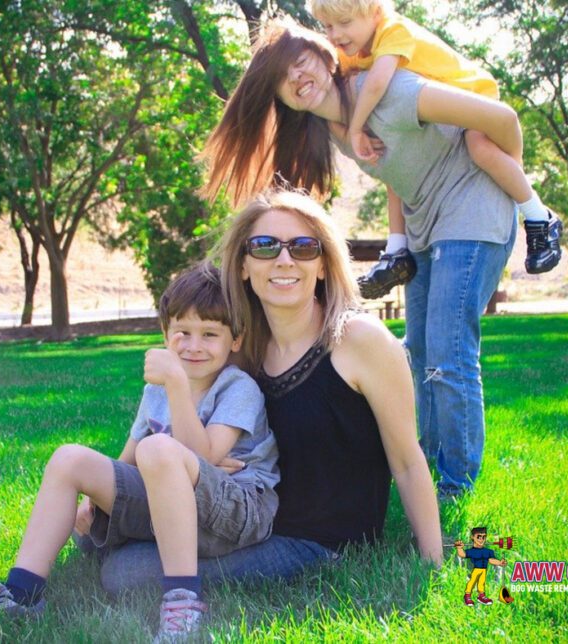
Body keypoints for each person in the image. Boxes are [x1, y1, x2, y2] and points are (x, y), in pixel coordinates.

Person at [200, 20, 518, 499]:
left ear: (326, 54)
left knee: (448, 352)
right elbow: (399, 168)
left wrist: (518, 192)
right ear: (280, 98)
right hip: (427, 225)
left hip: (474, 210)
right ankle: (430, 468)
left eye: (301, 60)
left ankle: (456, 485)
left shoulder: (388, 91)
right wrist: (399, 241)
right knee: (422, 352)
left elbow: (503, 117)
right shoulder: (337, 129)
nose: (297, 77)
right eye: (282, 78)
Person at [93, 190, 442, 597]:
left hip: (317, 542)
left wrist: (431, 564)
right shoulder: (245, 349)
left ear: (324, 265)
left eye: (303, 247)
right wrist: (206, 468)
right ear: (243, 266)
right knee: (100, 528)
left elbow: (407, 461)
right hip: (245, 520)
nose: (284, 259)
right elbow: (204, 435)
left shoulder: (359, 340)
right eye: (264, 246)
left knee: (124, 572)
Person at [0, 262, 279, 641]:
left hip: (235, 513)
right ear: (165, 334)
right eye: (182, 332)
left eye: (209, 334)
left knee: (159, 448)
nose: (193, 346)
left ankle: (183, 604)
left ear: (235, 340)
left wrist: (177, 385)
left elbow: (203, 457)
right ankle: (21, 594)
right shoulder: (155, 393)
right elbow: (128, 462)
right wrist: (96, 502)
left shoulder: (237, 387)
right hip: (174, 510)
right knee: (70, 458)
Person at [305, 0, 561, 297]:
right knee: (395, 167)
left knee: (480, 149)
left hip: (471, 101)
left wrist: (356, 128)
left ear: (375, 13)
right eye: (328, 26)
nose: (335, 34)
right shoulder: (350, 51)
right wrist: (345, 130)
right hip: (435, 122)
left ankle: (539, 216)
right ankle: (397, 250)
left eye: (345, 23)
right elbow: (339, 95)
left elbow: (375, 84)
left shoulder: (393, 30)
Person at [454, 527, 506, 607]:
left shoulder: (488, 552)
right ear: (472, 537)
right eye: (478, 537)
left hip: (483, 570)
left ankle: (481, 596)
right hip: (477, 569)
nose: (481, 539)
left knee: (481, 583)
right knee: (472, 581)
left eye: (484, 537)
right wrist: (459, 548)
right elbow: (462, 554)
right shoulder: (472, 551)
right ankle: (467, 596)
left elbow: (491, 560)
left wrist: (499, 562)